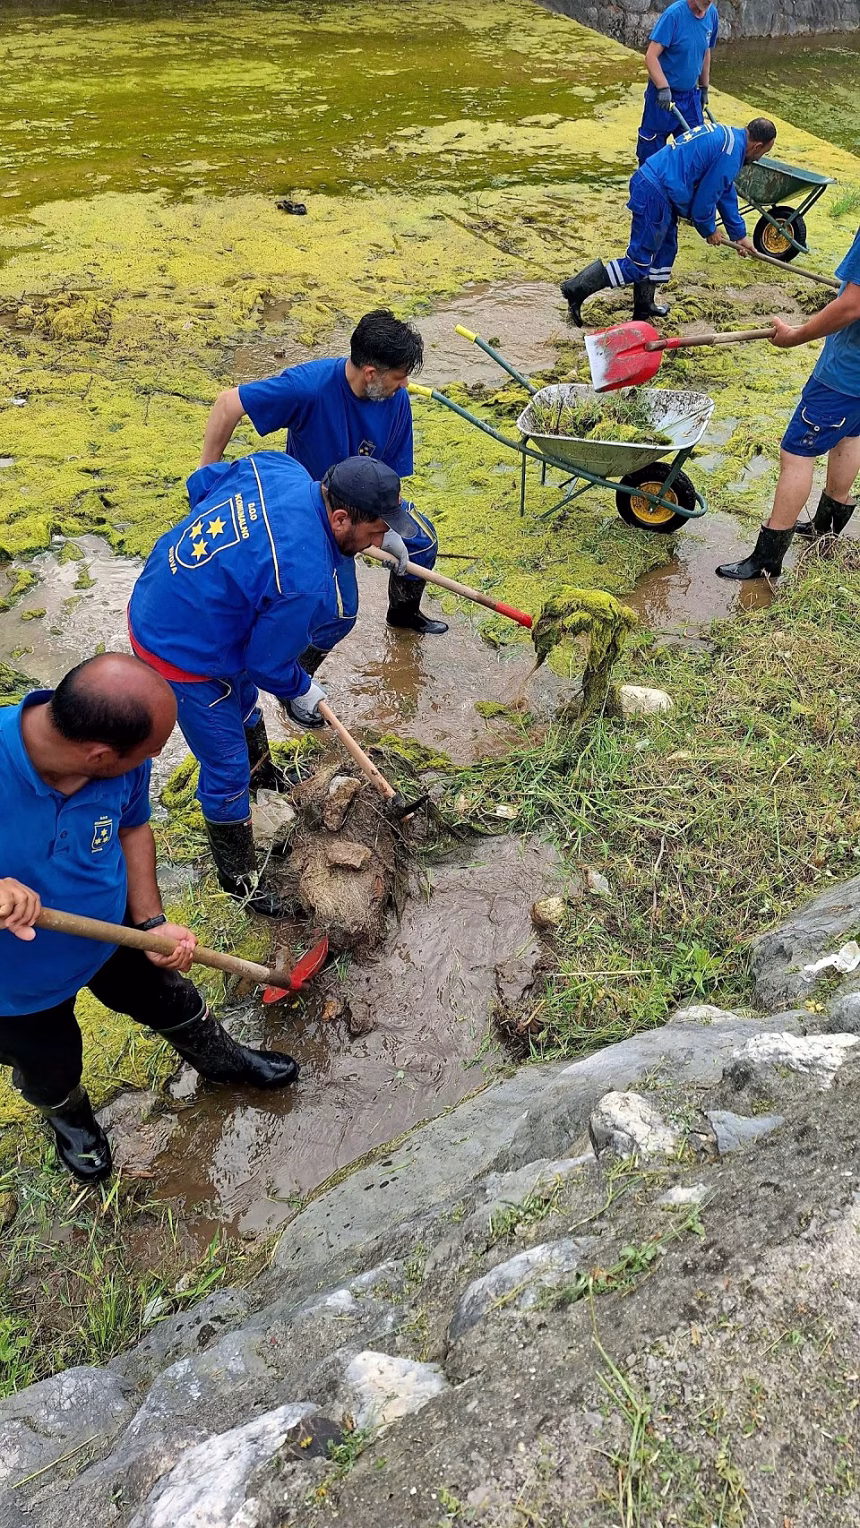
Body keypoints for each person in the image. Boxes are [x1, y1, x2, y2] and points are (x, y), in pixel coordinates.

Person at [0, 655, 298, 1186]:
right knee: (52, 1066)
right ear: (97, 754)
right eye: (148, 753)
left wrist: (151, 921)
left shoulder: (117, 759)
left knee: (173, 998)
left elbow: (133, 829)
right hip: (17, 987)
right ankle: (69, 1119)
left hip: (112, 934)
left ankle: (222, 1061)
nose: (152, 761)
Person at [128, 452, 417, 915]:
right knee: (224, 767)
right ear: (340, 517)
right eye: (377, 531)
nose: (382, 539)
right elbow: (265, 665)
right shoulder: (304, 582)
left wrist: (230, 573)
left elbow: (201, 482)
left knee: (243, 703)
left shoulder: (277, 468)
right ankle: (241, 882)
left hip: (166, 581)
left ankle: (265, 780)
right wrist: (301, 687)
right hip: (178, 646)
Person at [200, 308, 447, 664]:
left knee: (422, 543)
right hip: (317, 510)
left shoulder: (395, 400)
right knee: (340, 612)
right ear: (371, 373)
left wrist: (386, 527)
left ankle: (403, 616)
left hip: (368, 503)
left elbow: (391, 476)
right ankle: (296, 681)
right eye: (399, 376)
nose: (404, 385)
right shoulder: (308, 387)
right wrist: (207, 476)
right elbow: (228, 404)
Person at [717, 225, 860, 579]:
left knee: (796, 454)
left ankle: (766, 558)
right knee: (849, 437)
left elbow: (851, 306)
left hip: (844, 375)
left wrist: (795, 336)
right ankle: (825, 530)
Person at [560, 118, 774, 325]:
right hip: (655, 192)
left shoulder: (731, 140)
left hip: (664, 191)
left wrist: (740, 235)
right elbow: (705, 200)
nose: (760, 158)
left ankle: (644, 305)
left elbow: (724, 191)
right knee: (638, 263)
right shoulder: (730, 153)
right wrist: (709, 229)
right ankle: (576, 289)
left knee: (664, 251)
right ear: (757, 146)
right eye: (764, 153)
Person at [636, 0, 719, 167]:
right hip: (662, 96)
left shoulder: (712, 15)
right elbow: (651, 56)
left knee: (696, 152)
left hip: (690, 97)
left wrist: (704, 87)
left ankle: (685, 191)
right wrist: (662, 87)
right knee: (652, 154)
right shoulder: (673, 16)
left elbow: (705, 51)